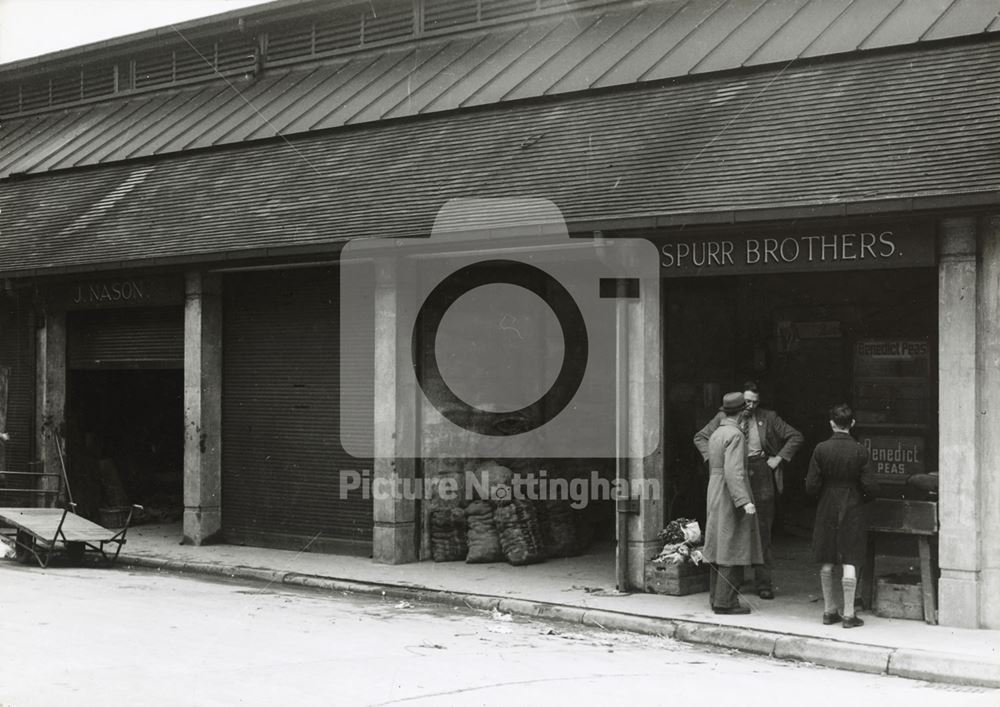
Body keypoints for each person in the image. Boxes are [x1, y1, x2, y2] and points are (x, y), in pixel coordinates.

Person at [694, 381, 802, 599]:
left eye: (754, 402)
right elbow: (700, 437)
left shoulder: (769, 417)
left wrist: (778, 458)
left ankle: (763, 583)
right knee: (733, 529)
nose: (750, 406)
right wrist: (714, 460)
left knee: (761, 530)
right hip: (732, 472)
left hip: (759, 472)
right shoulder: (725, 422)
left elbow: (795, 436)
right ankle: (735, 581)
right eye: (747, 401)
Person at [805, 403, 879, 628]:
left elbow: (811, 486)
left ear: (831, 423)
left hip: (827, 504)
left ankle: (829, 611)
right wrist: (861, 497)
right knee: (850, 557)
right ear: (852, 424)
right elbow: (871, 486)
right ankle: (849, 614)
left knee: (827, 558)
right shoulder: (860, 450)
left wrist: (823, 496)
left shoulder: (820, 449)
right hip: (852, 505)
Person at [703, 392, 762, 615]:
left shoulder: (718, 432)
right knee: (733, 545)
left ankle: (716, 598)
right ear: (742, 412)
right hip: (730, 492)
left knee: (719, 543)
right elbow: (734, 471)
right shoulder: (736, 435)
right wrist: (744, 500)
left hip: (716, 490)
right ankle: (726, 602)